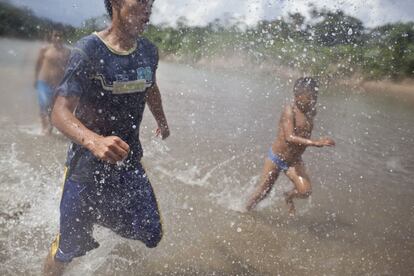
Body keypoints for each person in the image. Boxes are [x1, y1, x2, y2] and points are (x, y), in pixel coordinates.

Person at [43, 0, 169, 275]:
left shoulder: (148, 51)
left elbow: (151, 87)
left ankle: (97, 215)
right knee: (67, 251)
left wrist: (161, 120)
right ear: (115, 3)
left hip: (129, 163)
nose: (147, 8)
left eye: (151, 3)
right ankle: (75, 228)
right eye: (140, 2)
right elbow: (59, 113)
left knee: (151, 232)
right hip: (85, 169)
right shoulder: (87, 50)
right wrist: (94, 141)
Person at [246, 77, 335, 216]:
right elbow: (289, 137)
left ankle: (288, 196)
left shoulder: (312, 111)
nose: (313, 101)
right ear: (298, 96)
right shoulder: (290, 111)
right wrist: (315, 142)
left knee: (305, 191)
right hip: (276, 158)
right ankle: (244, 212)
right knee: (263, 193)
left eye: (316, 96)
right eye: (310, 97)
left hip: (294, 160)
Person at [34, 30, 70, 135]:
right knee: (44, 104)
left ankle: (49, 127)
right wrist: (35, 79)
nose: (58, 38)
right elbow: (38, 64)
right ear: (52, 37)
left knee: (52, 107)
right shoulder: (45, 49)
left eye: (60, 35)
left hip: (58, 84)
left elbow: (69, 68)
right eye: (56, 35)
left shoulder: (67, 52)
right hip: (43, 81)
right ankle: (44, 128)